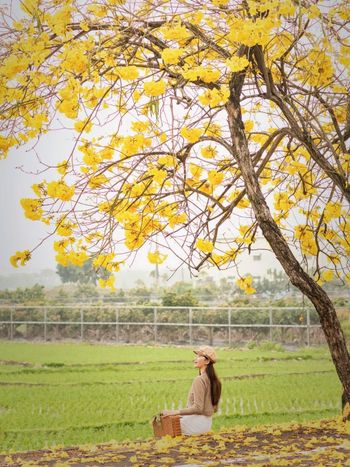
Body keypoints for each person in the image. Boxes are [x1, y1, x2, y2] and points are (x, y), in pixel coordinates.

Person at [162, 345, 221, 435]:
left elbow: (198, 408)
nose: (195, 358)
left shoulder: (199, 379)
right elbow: (214, 408)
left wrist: (173, 412)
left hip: (196, 425)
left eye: (199, 356)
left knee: (165, 423)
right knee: (175, 419)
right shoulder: (215, 381)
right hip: (206, 424)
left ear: (207, 361)